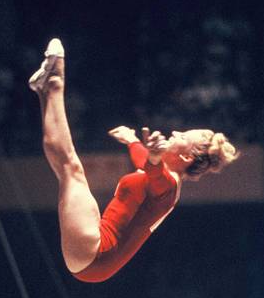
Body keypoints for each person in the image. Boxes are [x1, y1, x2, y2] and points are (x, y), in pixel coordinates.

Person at [29, 38, 238, 282]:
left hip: (96, 254)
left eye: (182, 135)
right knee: (66, 169)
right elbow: (145, 164)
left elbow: (154, 173)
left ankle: (55, 81)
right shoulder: (158, 175)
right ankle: (46, 89)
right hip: (95, 253)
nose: (175, 132)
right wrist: (132, 141)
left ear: (186, 156)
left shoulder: (169, 187)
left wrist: (155, 157)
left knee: (71, 169)